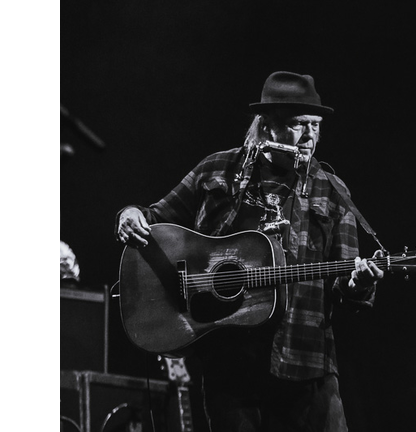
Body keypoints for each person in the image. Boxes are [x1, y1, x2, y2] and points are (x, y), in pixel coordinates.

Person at [114, 71, 385, 432]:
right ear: (268, 126)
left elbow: (345, 288)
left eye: (315, 126)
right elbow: (154, 218)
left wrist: (358, 283)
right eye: (298, 125)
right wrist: (128, 215)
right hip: (229, 365)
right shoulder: (218, 169)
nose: (309, 137)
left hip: (305, 362)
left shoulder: (332, 191)